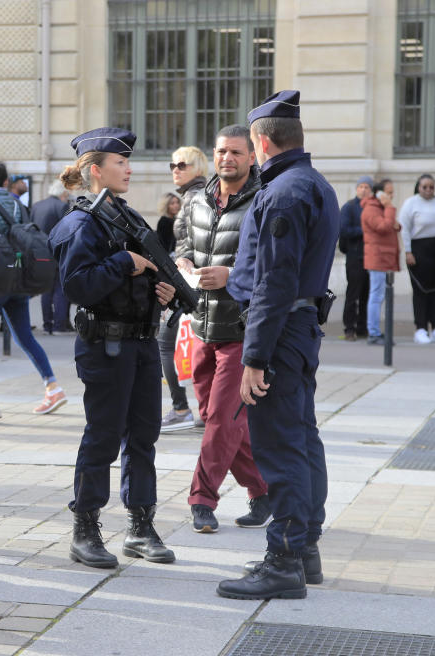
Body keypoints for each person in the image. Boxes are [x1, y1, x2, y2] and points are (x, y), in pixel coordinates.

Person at [218, 90, 339, 600]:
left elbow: (274, 281)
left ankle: (284, 559)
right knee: (302, 437)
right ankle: (304, 548)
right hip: (298, 327)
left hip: (281, 331)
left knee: (281, 444)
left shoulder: (284, 191)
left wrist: (255, 357)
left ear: (261, 142)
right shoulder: (311, 183)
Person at [48, 128, 177, 569]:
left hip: (141, 343)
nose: (130, 169)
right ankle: (85, 528)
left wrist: (164, 291)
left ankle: (141, 526)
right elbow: (76, 286)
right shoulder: (80, 222)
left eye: (128, 162)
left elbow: (147, 275)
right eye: (120, 163)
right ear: (95, 170)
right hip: (104, 344)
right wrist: (125, 262)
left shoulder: (125, 216)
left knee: (144, 437)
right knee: (102, 437)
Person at [176, 124, 269, 534]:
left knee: (221, 420)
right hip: (202, 323)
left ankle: (202, 498)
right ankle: (263, 490)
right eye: (220, 151)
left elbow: (273, 265)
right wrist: (182, 267)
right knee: (218, 417)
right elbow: (183, 247)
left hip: (243, 327)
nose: (226, 158)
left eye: (235, 152)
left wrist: (230, 274)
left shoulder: (264, 202)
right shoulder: (196, 200)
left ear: (252, 157)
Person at [0, 161, 66, 423]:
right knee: (25, 337)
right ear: (6, 182)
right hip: (19, 282)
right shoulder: (18, 205)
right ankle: (52, 386)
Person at [163, 145, 209, 432]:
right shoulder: (195, 196)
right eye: (172, 165)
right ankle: (205, 410)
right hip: (189, 281)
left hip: (187, 283)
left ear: (197, 168)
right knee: (200, 346)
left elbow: (192, 246)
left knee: (164, 343)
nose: (175, 170)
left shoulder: (194, 198)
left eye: (182, 165)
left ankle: (181, 408)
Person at [399, 174, 435, 344]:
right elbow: (404, 228)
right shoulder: (411, 203)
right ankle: (420, 328)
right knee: (421, 290)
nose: (428, 190)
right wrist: (408, 251)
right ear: (418, 187)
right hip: (420, 249)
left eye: (431, 187)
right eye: (425, 187)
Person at [361, 183, 401, 345]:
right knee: (376, 296)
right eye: (389, 193)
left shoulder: (380, 208)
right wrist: (390, 208)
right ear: (379, 194)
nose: (391, 196)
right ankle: (374, 333)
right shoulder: (371, 208)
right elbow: (383, 227)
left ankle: (375, 331)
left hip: (384, 257)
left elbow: (391, 225)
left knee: (380, 295)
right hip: (377, 258)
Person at [32, 179, 72, 334]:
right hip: (56, 253)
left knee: (45, 290)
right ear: (63, 193)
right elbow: (67, 230)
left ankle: (47, 324)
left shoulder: (37, 206)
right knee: (59, 290)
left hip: (39, 253)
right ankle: (59, 326)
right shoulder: (62, 206)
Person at [340, 176, 373, 341]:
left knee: (367, 294)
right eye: (361, 186)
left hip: (370, 257)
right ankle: (349, 328)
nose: (364, 189)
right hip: (354, 256)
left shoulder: (373, 207)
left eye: (367, 187)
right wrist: (364, 230)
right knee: (353, 293)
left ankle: (363, 327)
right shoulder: (349, 207)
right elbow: (344, 229)